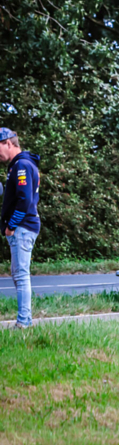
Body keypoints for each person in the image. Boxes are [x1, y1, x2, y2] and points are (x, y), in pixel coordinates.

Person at [0, 129, 41, 329]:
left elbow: (24, 201)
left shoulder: (22, 166)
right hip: (23, 227)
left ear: (8, 143)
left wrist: (10, 226)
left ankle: (24, 323)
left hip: (22, 228)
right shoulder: (20, 165)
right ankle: (25, 320)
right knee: (18, 274)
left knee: (21, 275)